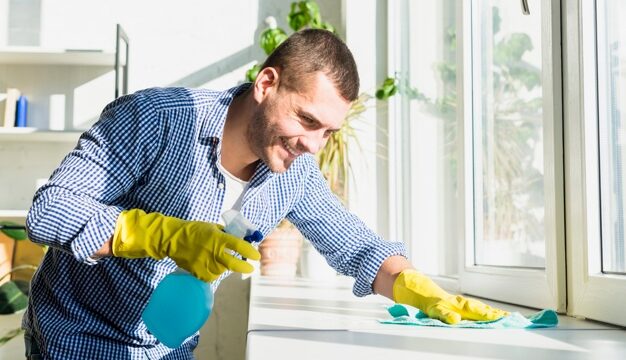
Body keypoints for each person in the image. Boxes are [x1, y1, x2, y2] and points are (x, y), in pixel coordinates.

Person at [23, 29, 507, 359]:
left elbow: (357, 248)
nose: (313, 145)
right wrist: (163, 235)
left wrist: (415, 287)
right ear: (266, 83)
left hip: (169, 347)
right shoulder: (155, 119)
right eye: (307, 120)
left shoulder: (293, 172)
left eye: (329, 133)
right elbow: (50, 211)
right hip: (79, 336)